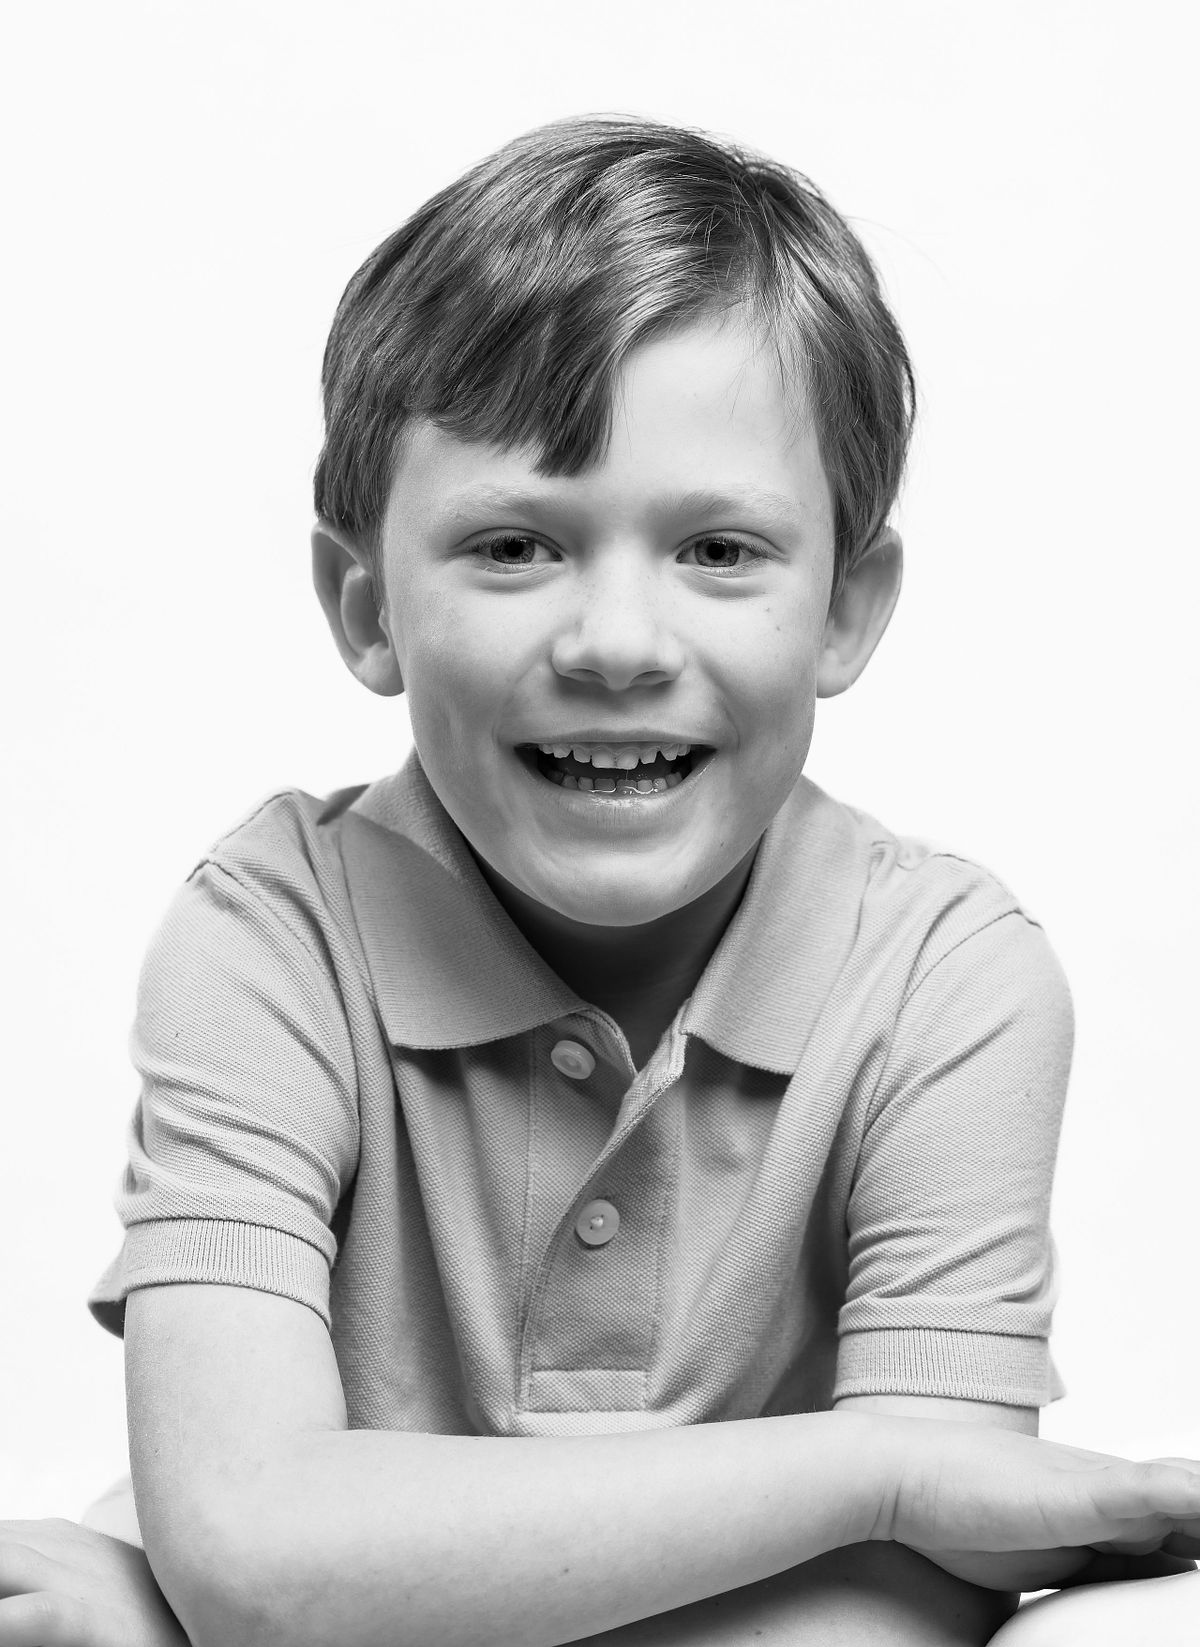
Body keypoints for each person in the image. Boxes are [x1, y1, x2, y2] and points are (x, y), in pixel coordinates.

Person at [2, 117, 1196, 1647]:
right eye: (515, 545)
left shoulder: (948, 980)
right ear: (367, 609)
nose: (619, 643)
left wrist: (234, 1615)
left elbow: (891, 1621)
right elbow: (250, 1544)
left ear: (847, 608)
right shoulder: (270, 936)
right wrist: (882, 1474)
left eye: (719, 550)